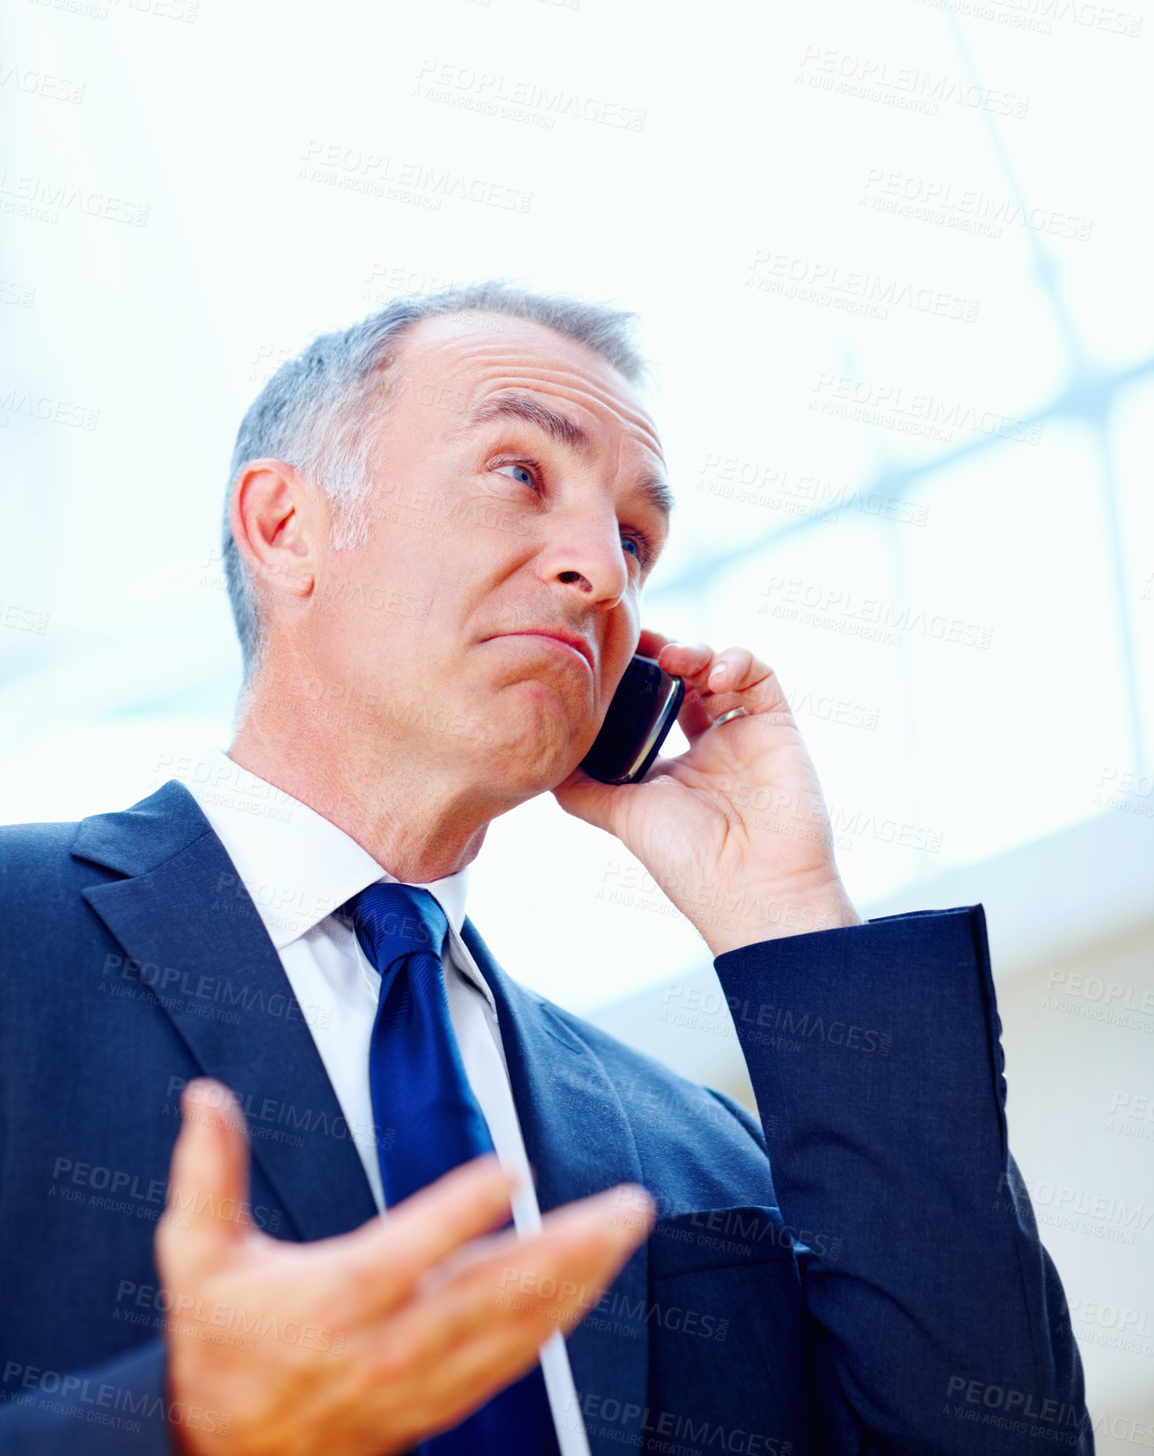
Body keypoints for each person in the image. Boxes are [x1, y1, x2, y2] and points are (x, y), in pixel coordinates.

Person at [0, 285, 1091, 1456]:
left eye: (633, 538)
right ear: (284, 528)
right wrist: (180, 1423)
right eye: (519, 473)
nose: (603, 574)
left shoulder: (701, 1150)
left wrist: (792, 925)